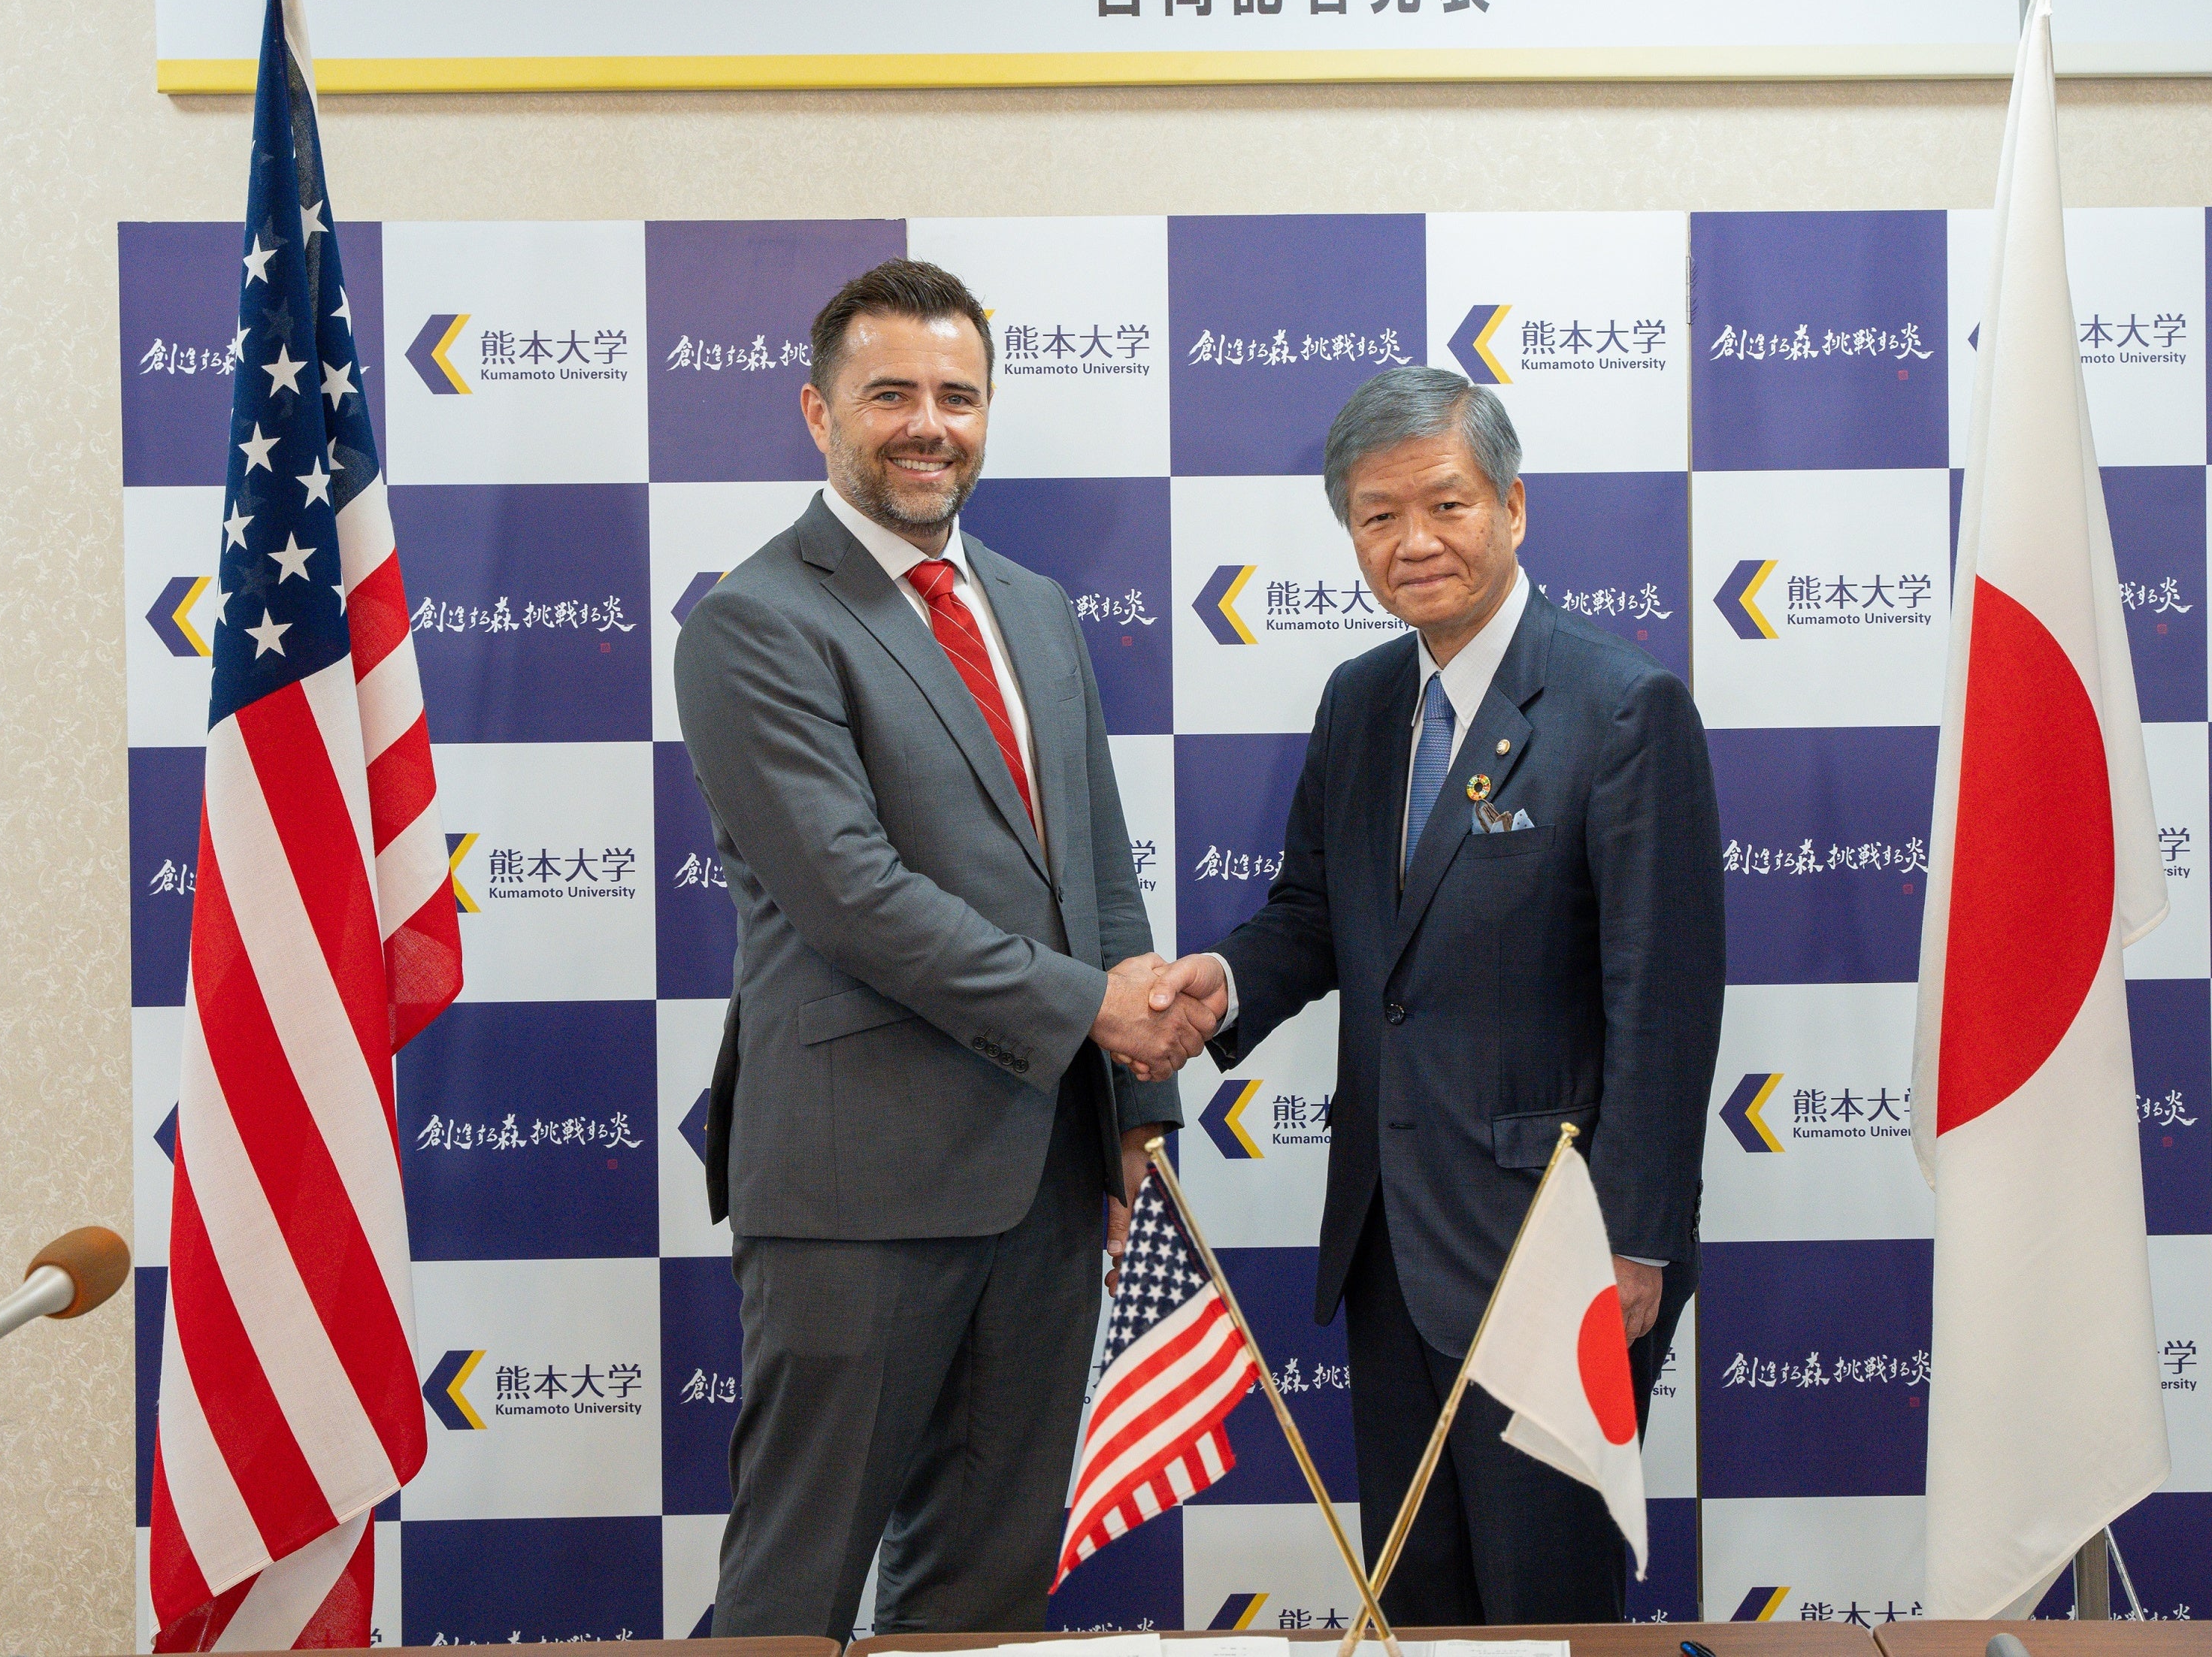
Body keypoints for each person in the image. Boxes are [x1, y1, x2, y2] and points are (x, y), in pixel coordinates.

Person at [675, 258, 1221, 1640]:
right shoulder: (753, 621)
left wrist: (1135, 1113)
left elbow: (1097, 872)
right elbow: (853, 897)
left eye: (958, 396)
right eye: (891, 395)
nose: (930, 425)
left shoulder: (1032, 607)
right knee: (794, 1587)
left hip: (1048, 1179)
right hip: (855, 1188)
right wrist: (1093, 1010)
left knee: (984, 1594)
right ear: (819, 412)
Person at [1146, 366, 1724, 1625]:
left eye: (1446, 505)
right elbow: (1318, 915)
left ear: (1512, 506)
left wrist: (1635, 1244)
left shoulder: (1622, 707)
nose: (1413, 542)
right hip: (1388, 1244)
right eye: (1377, 516)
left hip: (1551, 1254)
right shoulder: (1360, 703)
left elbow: (1666, 1003)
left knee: (1543, 1610)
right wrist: (1220, 987)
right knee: (1422, 1610)